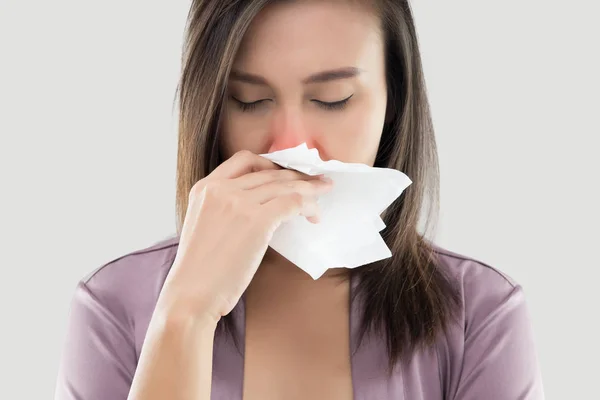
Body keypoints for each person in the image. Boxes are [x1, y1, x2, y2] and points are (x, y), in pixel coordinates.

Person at [54, 1, 545, 399]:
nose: (291, 147)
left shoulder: (480, 314)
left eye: (332, 99)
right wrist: (185, 315)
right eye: (249, 100)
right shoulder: (114, 308)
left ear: (394, 99)